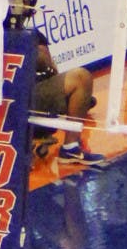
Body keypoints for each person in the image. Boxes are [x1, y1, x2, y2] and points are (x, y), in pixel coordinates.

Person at [33, 32, 105, 165]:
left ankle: (73, 103)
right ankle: (70, 147)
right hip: (24, 99)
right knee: (81, 78)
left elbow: (49, 67)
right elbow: (47, 63)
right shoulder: (23, 34)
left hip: (10, 101)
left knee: (83, 97)